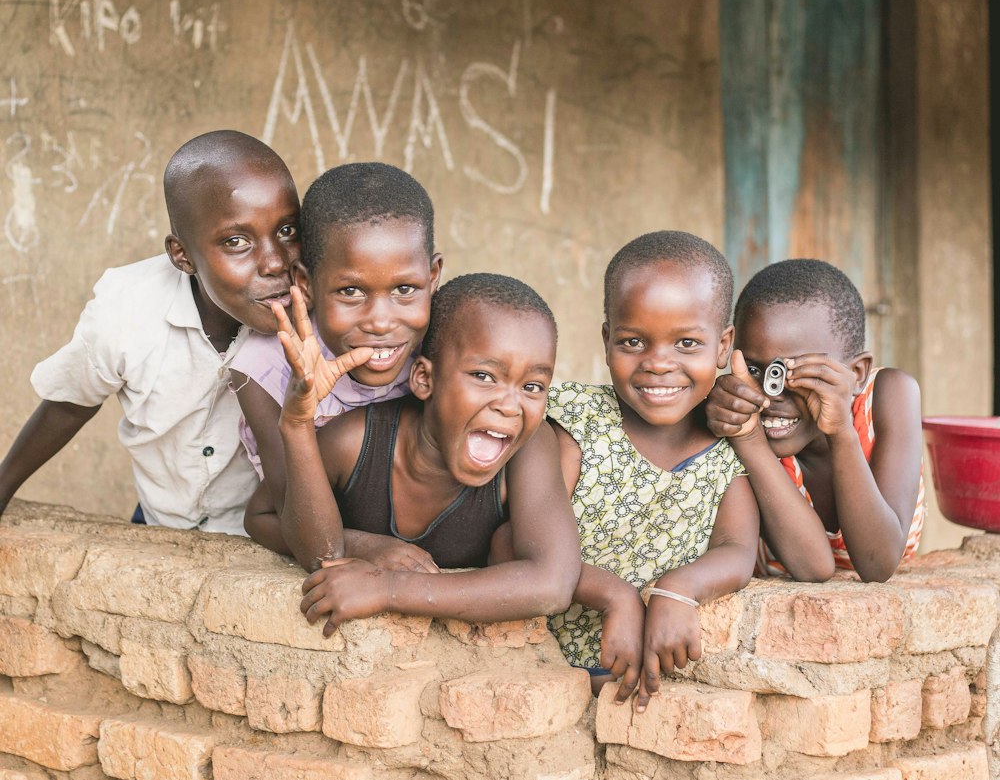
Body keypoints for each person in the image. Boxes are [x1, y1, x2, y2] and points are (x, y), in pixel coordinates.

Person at [0, 130, 300, 535]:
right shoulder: (125, 314)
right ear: (182, 255)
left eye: (287, 231)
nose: (275, 262)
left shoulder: (318, 316)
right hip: (158, 524)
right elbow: (71, 405)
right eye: (236, 241)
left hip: (266, 536)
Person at [250, 273, 580, 628]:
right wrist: (362, 545)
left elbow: (552, 584)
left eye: (532, 386)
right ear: (424, 379)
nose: (511, 406)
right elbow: (262, 517)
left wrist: (389, 589)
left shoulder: (528, 449)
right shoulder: (356, 442)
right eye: (484, 376)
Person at [547, 232, 759, 709]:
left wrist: (679, 590)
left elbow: (737, 550)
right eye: (633, 341)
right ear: (606, 341)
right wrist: (615, 596)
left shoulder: (725, 451)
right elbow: (522, 543)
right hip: (543, 680)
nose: (659, 364)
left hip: (657, 705)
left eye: (687, 343)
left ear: (723, 346)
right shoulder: (575, 426)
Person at [231, 162, 442, 526]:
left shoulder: (441, 343)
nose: (380, 321)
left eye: (404, 289)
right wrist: (365, 548)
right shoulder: (265, 366)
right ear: (306, 283)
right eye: (351, 291)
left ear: (433, 276)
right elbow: (288, 512)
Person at [705, 258, 924, 582]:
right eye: (754, 370)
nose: (771, 394)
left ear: (857, 373)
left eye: (792, 372)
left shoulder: (888, 397)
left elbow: (878, 564)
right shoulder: (735, 415)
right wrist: (747, 438)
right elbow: (813, 567)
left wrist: (840, 432)